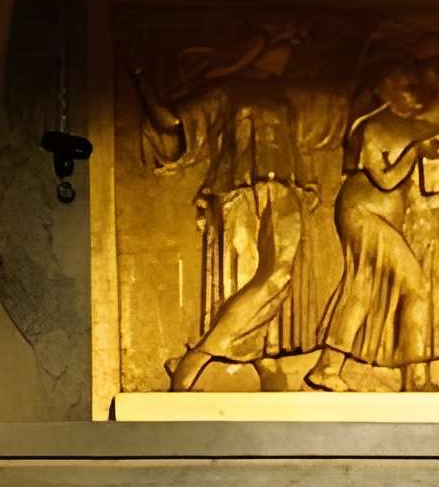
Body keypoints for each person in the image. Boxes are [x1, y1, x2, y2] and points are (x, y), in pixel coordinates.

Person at [129, 22, 331, 390]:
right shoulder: (226, 92)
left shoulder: (286, 97)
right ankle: (253, 361)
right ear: (256, 48)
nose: (286, 54)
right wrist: (141, 79)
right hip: (238, 188)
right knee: (243, 272)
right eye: (281, 44)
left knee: (280, 273)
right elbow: (172, 122)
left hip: (286, 187)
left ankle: (201, 357)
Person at [309, 63, 439, 390]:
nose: (415, 95)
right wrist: (416, 151)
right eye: (406, 87)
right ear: (387, 93)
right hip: (363, 212)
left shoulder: (412, 128)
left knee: (361, 290)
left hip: (383, 217)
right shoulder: (374, 127)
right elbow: (386, 178)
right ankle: (416, 379)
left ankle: (327, 367)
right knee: (416, 287)